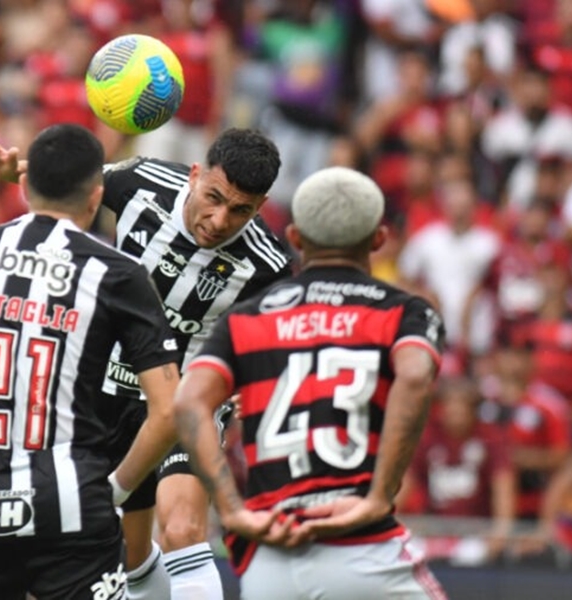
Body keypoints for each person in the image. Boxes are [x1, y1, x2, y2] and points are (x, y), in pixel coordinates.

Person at [0, 126, 292, 599]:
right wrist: (13, 172)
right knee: (131, 554)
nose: (218, 220)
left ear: (261, 206)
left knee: (181, 528)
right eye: (213, 197)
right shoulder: (140, 182)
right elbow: (70, 186)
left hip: (187, 396)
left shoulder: (270, 264)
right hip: (103, 389)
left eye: (241, 211)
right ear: (195, 174)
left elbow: (283, 337)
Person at [0, 123, 181, 600]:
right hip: (73, 508)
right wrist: (114, 492)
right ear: (96, 197)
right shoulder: (118, 274)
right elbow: (169, 410)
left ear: (23, 186)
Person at [173, 166, 449, 599]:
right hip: (363, 544)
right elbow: (415, 376)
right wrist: (379, 496)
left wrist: (233, 511)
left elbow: (188, 402)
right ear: (378, 239)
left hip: (270, 553)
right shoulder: (406, 312)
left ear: (296, 238)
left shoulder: (246, 318)